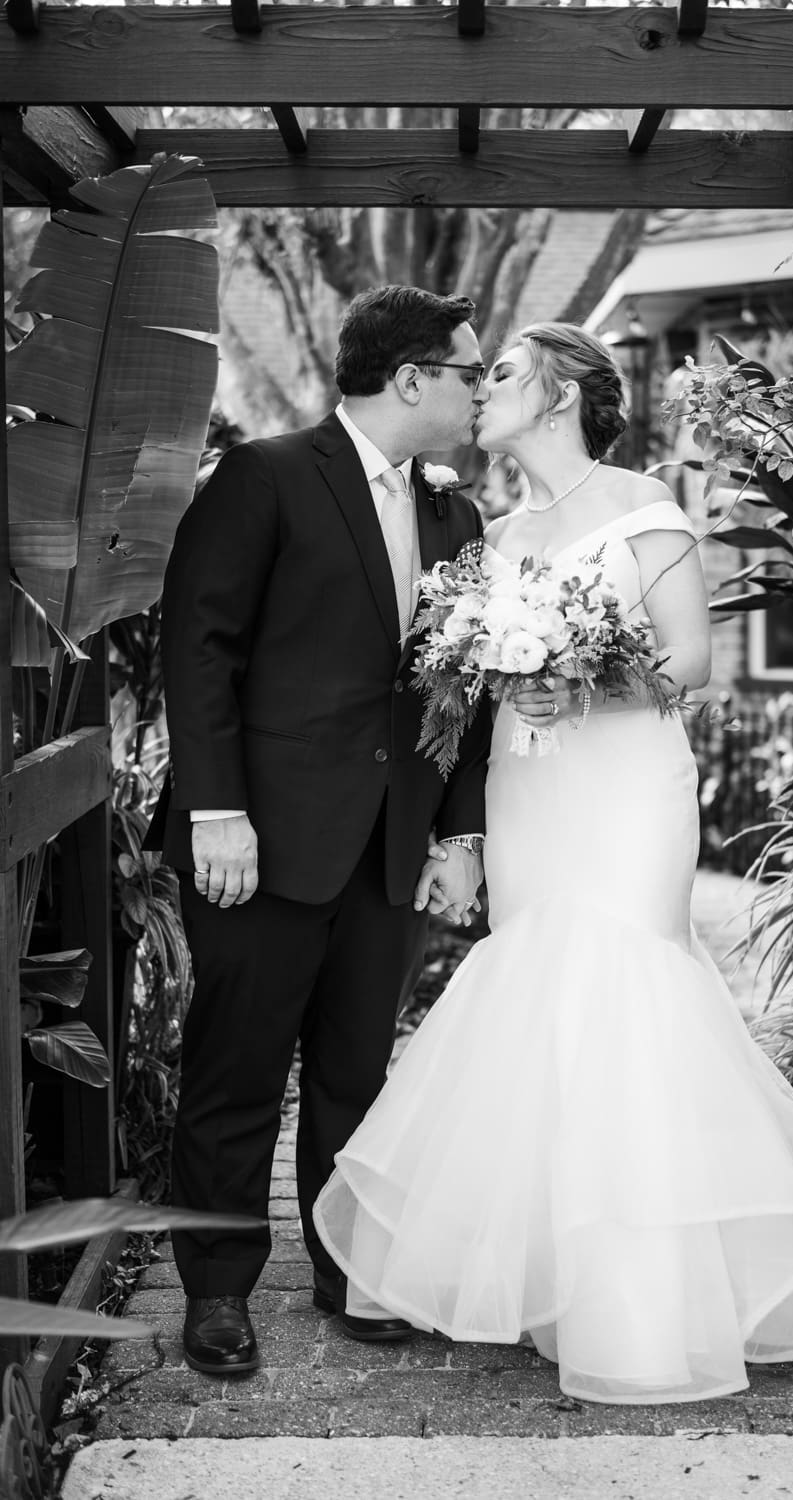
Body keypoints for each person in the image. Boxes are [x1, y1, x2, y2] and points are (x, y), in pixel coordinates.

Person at [313, 322, 793, 1404]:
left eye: (504, 375)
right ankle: (552, 1285)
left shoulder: (642, 507)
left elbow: (693, 665)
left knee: (623, 996)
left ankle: (640, 1311)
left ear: (563, 394)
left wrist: (582, 687)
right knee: (540, 1005)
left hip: (623, 793)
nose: (483, 394)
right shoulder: (493, 535)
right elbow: (457, 701)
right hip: (530, 792)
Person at [148, 285, 493, 1375]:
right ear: (410, 380)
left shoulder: (457, 515)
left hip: (387, 843)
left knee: (355, 1077)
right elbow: (197, 648)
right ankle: (215, 1293)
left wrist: (458, 834)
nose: (480, 390)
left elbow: (463, 690)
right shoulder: (264, 475)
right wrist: (217, 811)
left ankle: (349, 1272)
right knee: (237, 1072)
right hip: (259, 840)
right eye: (468, 372)